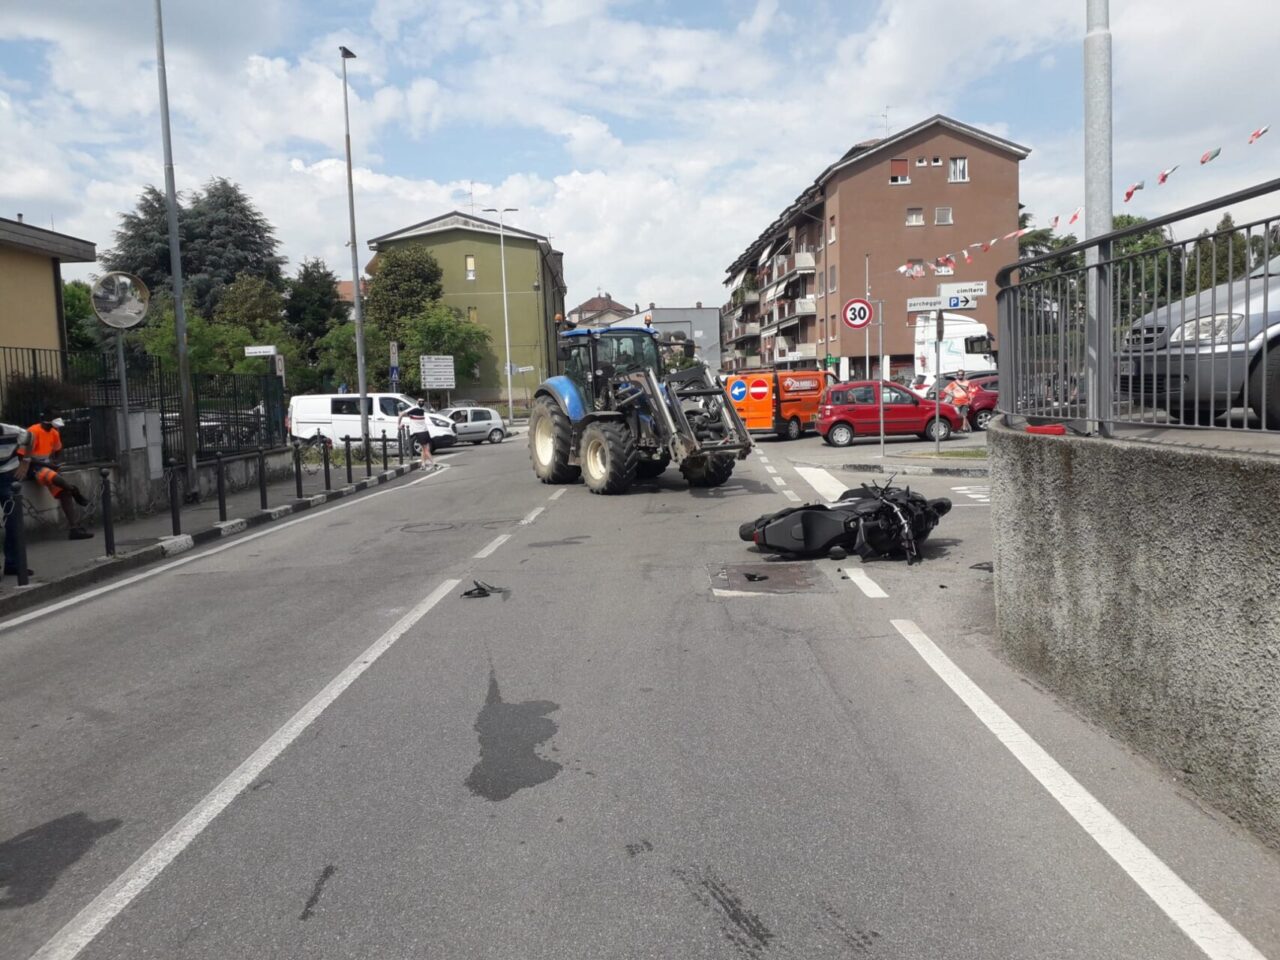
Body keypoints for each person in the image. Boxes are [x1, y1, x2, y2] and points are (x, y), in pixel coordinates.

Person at [21, 412, 93, 540]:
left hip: (47, 467)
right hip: (32, 468)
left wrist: (55, 462)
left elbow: (58, 449)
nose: (56, 428)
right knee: (56, 478)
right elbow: (23, 456)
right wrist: (49, 465)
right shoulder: (33, 431)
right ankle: (74, 490)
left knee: (64, 492)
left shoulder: (54, 433)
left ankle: (74, 529)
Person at [1, 420, 33, 581]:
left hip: (7, 477)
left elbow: (30, 438)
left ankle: (12, 564)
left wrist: (26, 462)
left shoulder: (12, 431)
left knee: (13, 522)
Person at [398, 404, 437, 470]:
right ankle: (430, 463)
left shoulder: (414, 412)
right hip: (424, 432)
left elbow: (402, 414)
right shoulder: (420, 412)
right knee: (425, 449)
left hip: (420, 432)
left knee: (424, 449)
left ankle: (426, 464)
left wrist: (399, 424)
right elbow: (403, 414)